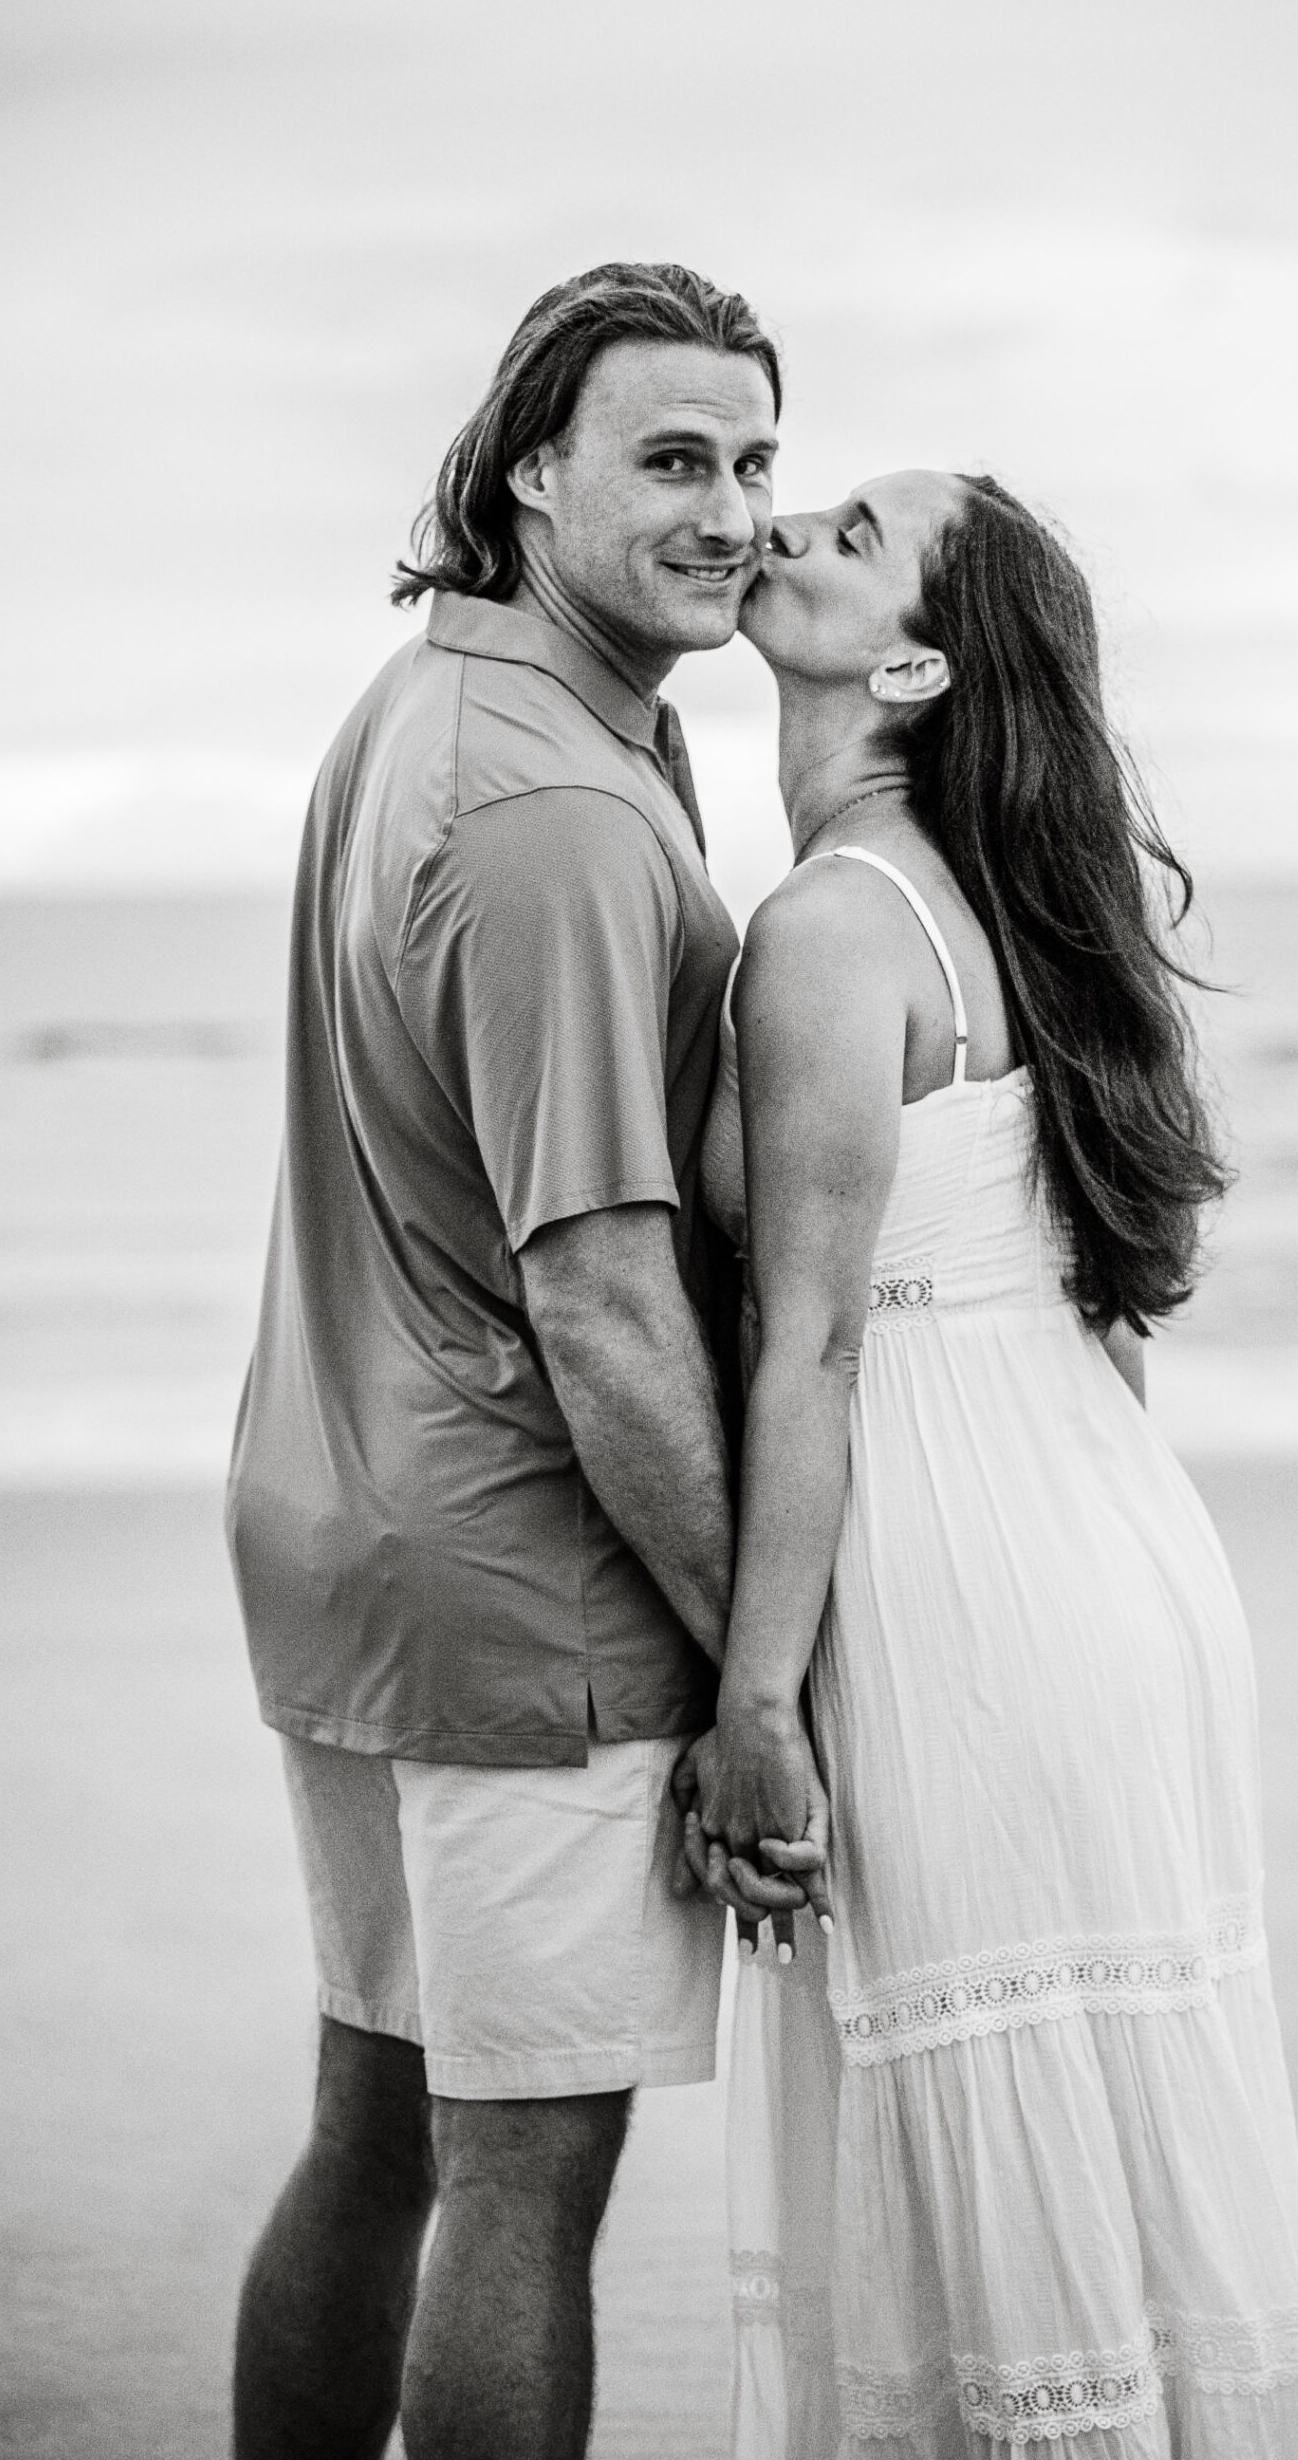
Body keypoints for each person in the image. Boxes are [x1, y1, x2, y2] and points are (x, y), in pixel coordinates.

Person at [680, 471, 1298, 2454]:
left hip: (962, 1591)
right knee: (1096, 2159)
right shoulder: (997, 915)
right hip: (1106, 1560)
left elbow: (803, 1339)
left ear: (908, 658)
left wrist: (752, 1697)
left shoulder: (831, 924)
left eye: (845, 527)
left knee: (990, 2159)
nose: (776, 524)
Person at [224, 261, 803, 2460]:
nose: (733, 507)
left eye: (754, 457)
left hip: (352, 1533)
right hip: (517, 1590)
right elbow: (598, 1294)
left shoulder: (439, 702)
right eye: (671, 457)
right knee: (517, 2177)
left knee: (380, 2127)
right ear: (526, 470)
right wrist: (756, 1657)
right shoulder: (548, 807)